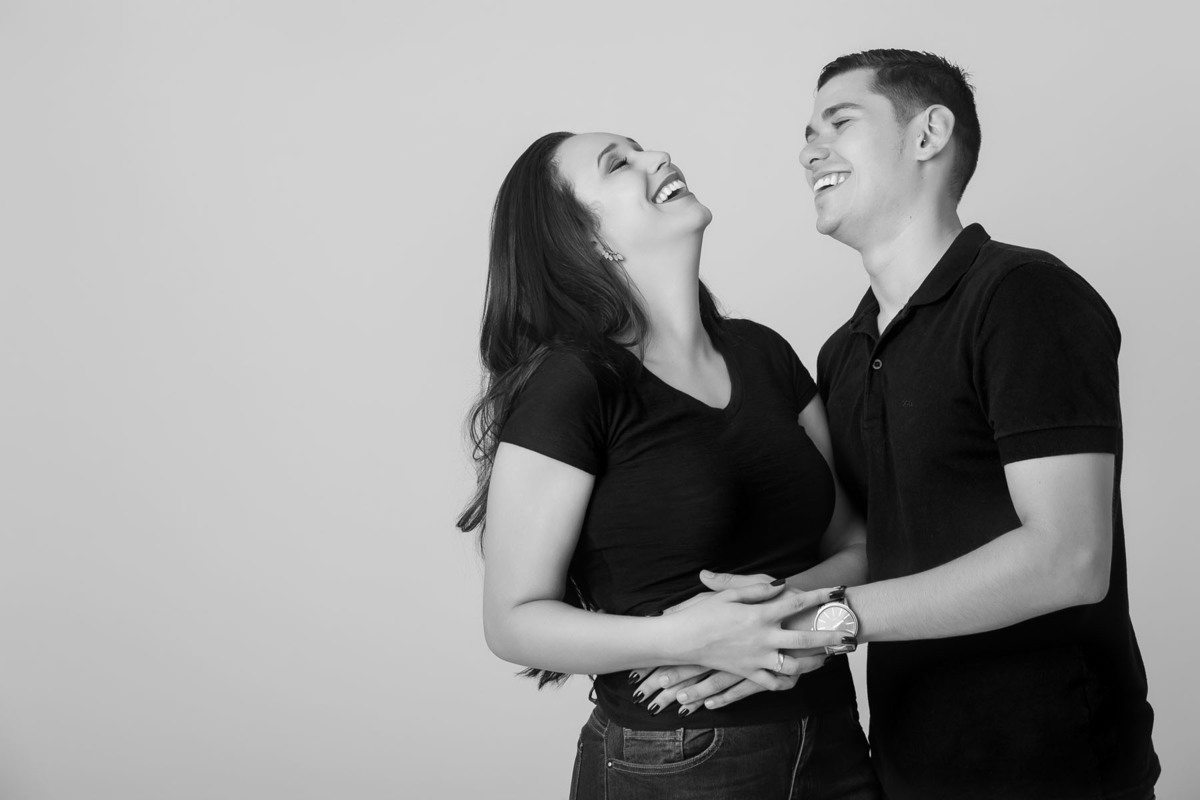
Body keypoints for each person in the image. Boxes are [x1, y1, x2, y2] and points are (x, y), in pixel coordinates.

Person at [686, 50, 1159, 799]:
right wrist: (743, 622)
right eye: (807, 134)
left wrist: (823, 623)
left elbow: (1069, 558)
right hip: (903, 769)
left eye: (839, 122)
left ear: (928, 134)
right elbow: (873, 547)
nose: (809, 152)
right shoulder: (843, 353)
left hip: (1059, 771)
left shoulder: (1024, 297)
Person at [457, 131, 881, 799]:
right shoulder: (574, 384)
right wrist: (680, 636)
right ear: (586, 239)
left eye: (643, 148)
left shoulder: (764, 353)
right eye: (619, 164)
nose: (657, 158)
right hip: (676, 759)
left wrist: (772, 625)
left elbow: (856, 546)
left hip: (833, 739)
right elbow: (511, 622)